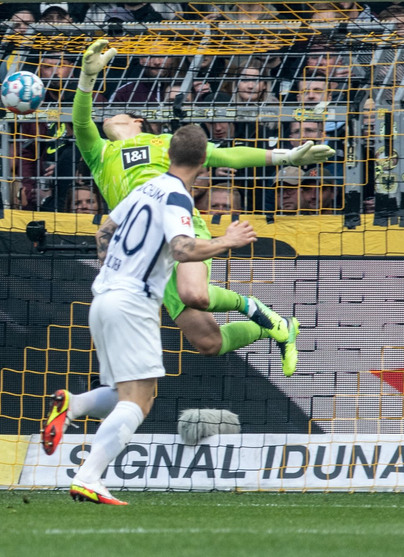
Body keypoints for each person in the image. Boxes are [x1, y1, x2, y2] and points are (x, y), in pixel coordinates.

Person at [60, 40, 334, 374]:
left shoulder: (165, 144)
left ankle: (254, 307)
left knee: (195, 294)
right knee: (209, 344)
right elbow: (81, 122)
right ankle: (275, 327)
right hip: (144, 252)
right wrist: (87, 80)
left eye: (122, 112)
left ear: (138, 122)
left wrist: (287, 156)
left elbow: (227, 154)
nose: (112, 115)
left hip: (180, 224)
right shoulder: (100, 154)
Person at [62, 125, 258, 505]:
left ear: (168, 155)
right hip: (132, 304)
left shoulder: (144, 188)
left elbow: (105, 230)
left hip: (104, 297)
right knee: (138, 401)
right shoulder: (176, 197)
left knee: (132, 392)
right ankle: (88, 475)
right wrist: (226, 241)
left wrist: (113, 268)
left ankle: (75, 405)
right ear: (203, 164)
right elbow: (183, 249)